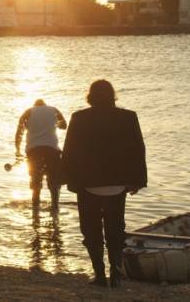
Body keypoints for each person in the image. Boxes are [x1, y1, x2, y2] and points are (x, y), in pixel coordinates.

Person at [61, 80, 147, 287]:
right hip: (117, 184)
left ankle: (99, 275)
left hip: (87, 184)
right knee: (115, 230)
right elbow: (138, 149)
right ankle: (116, 275)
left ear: (89, 96)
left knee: (91, 231)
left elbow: (69, 151)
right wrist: (138, 180)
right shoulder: (128, 117)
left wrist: (68, 180)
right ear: (113, 96)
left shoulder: (79, 118)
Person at [15, 99, 67, 209]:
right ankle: (55, 207)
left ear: (35, 105)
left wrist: (17, 150)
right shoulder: (53, 110)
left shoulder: (28, 112)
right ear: (45, 104)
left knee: (36, 182)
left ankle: (35, 209)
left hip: (34, 151)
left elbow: (19, 133)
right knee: (54, 182)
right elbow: (64, 126)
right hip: (52, 150)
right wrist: (53, 124)